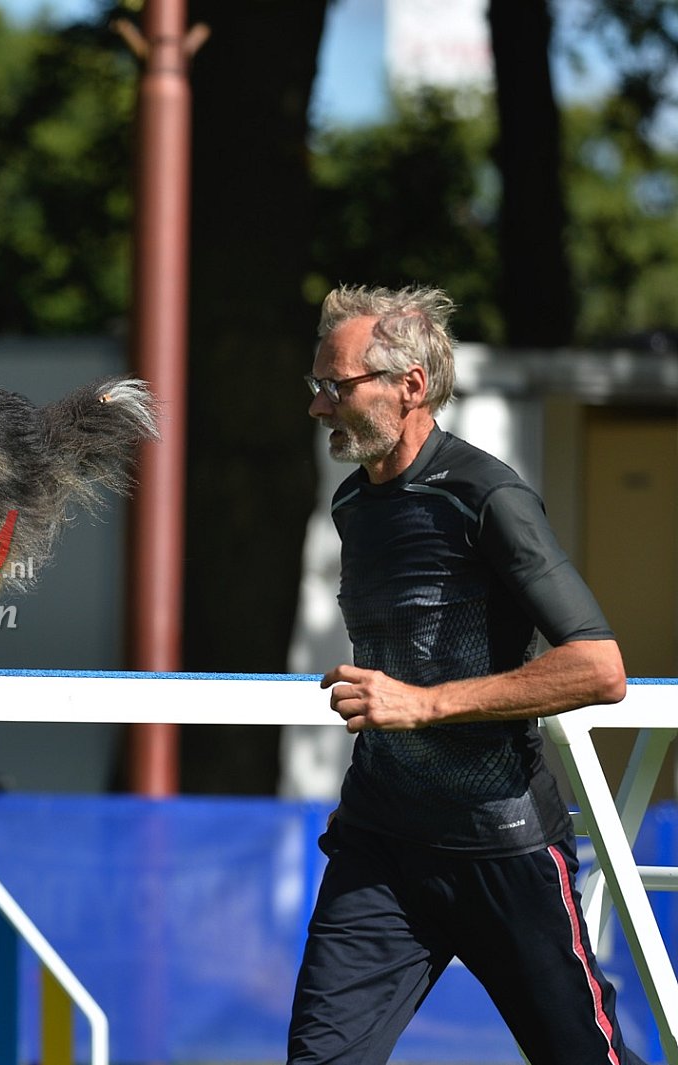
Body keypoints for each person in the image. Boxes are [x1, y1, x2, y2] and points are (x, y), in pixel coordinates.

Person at [287, 284, 637, 1065]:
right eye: (316, 385)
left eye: (336, 386)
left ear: (409, 385)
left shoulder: (489, 496)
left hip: (501, 846)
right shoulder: (353, 505)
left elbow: (598, 666)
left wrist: (423, 704)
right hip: (380, 845)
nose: (318, 406)